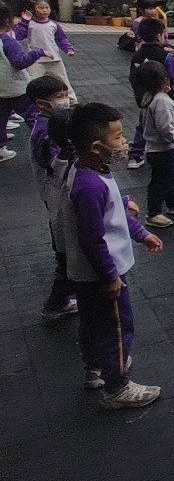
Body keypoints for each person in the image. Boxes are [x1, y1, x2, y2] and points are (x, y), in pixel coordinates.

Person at [61, 103, 164, 409]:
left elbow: (111, 212)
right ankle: (117, 386)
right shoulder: (92, 186)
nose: (124, 142)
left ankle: (95, 368)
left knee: (92, 322)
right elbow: (93, 237)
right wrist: (110, 276)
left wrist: (141, 233)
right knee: (118, 327)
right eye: (118, 137)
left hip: (85, 272)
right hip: (104, 273)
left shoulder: (86, 171)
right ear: (97, 147)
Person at [26, 74, 76, 321]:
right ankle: (56, 303)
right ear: (41, 103)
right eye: (59, 96)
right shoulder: (48, 133)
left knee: (65, 247)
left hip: (54, 195)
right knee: (67, 253)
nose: (65, 100)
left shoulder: (44, 125)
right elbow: (54, 166)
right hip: (57, 196)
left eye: (65, 94)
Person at [132, 63, 174, 228]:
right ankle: (153, 213)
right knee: (160, 181)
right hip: (161, 149)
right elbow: (165, 128)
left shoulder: (149, 97)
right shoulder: (161, 101)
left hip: (159, 148)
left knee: (171, 176)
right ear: (162, 81)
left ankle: (173, 202)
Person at [126, 16, 174, 171]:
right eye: (164, 34)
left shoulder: (136, 55)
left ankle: (135, 155)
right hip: (165, 97)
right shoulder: (165, 55)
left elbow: (132, 77)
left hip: (144, 97)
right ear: (158, 36)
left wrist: (139, 92)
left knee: (144, 125)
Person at [0, 0, 52, 162]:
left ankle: (0, 148)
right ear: (8, 21)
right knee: (33, 116)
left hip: (1, 90)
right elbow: (19, 62)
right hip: (16, 88)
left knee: (1, 118)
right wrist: (38, 52)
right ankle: (45, 145)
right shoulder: (8, 42)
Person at [16, 0, 77, 103]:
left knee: (63, 80)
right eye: (41, 8)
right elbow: (18, 36)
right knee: (32, 82)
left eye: (47, 8)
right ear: (33, 10)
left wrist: (68, 49)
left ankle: (72, 100)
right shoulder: (29, 24)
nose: (44, 10)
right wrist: (24, 21)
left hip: (54, 59)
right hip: (35, 61)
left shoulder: (53, 24)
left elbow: (61, 39)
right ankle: (30, 103)